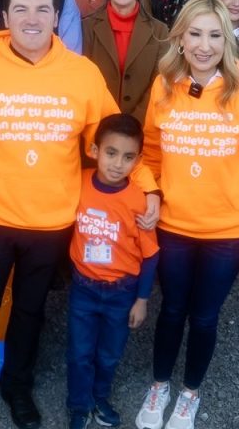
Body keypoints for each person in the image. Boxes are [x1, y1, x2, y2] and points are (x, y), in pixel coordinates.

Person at [0, 0, 158, 429]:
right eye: (21, 9)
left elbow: (112, 137)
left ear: (57, 18)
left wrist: (148, 183)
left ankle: (18, 387)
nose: (31, 19)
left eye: (42, 10)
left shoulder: (81, 72)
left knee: (31, 313)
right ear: (5, 17)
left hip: (52, 222)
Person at [135, 0, 239, 429]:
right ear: (180, 37)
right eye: (195, 33)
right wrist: (151, 192)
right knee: (172, 309)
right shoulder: (163, 84)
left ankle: (190, 394)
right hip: (173, 227)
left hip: (226, 232)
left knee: (205, 315)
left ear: (228, 40)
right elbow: (150, 154)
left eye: (215, 35)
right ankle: (159, 385)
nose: (204, 45)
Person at [66, 114, 159, 429]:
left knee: (108, 353)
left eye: (128, 157)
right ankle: (79, 405)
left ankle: (100, 398)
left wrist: (142, 299)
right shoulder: (76, 183)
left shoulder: (138, 200)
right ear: (93, 150)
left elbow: (151, 254)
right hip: (83, 288)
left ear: (138, 160)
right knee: (79, 352)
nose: (118, 164)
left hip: (122, 292)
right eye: (111, 153)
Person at [81, 0, 169, 124]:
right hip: (97, 120)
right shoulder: (86, 26)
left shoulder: (160, 30)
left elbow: (161, 80)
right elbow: (82, 77)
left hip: (142, 124)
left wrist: (135, 120)